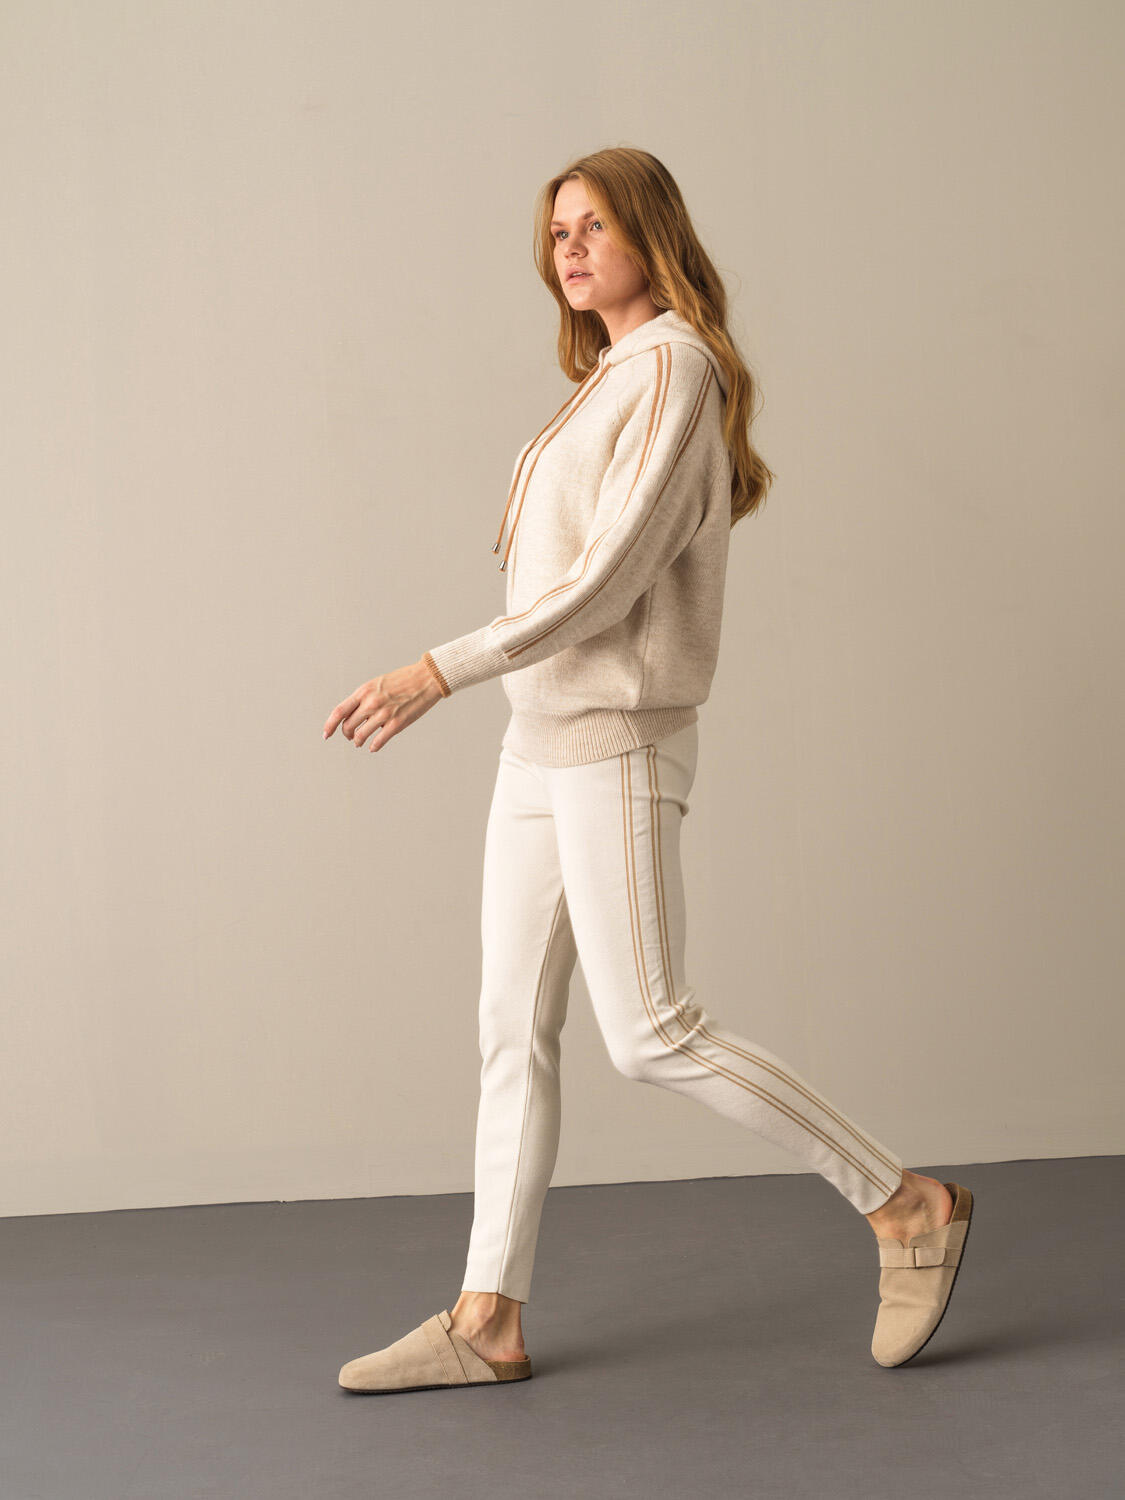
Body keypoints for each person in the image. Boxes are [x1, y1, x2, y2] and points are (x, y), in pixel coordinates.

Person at [322, 147, 974, 1393]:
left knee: (653, 1031)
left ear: (651, 234)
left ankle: (906, 1204)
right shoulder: (610, 376)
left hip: (617, 739)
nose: (568, 248)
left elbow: (604, 583)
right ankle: (486, 1318)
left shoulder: (675, 369)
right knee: (510, 1027)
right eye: (556, 231)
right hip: (538, 742)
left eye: (594, 226)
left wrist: (437, 670)